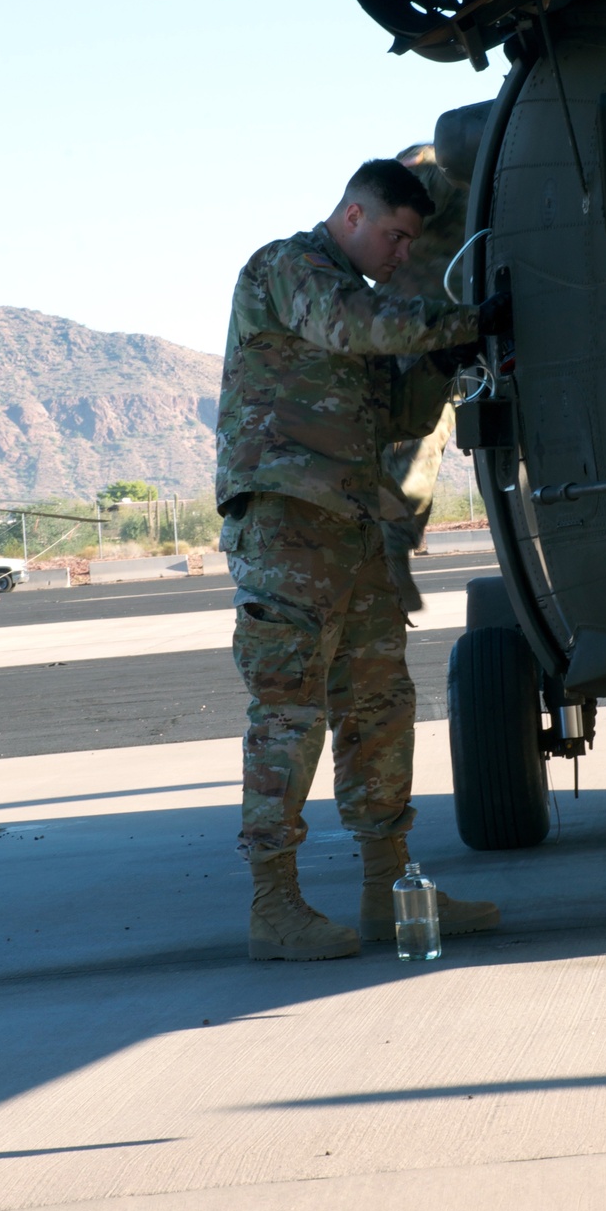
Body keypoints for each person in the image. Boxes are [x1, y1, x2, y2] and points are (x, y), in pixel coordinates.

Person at [216, 158, 510, 960]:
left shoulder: (372, 305)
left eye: (411, 241)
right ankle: (273, 906)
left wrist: (444, 369)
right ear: (352, 216)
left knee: (380, 706)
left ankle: (390, 890)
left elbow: (396, 419)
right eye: (394, 235)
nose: (400, 253)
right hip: (286, 526)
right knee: (289, 712)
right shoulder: (289, 271)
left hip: (354, 526)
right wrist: (462, 319)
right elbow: (355, 326)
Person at [378, 143, 470, 611]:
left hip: (469, 323)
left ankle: (391, 549)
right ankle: (390, 551)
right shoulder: (438, 161)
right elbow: (395, 192)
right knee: (413, 442)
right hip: (420, 325)